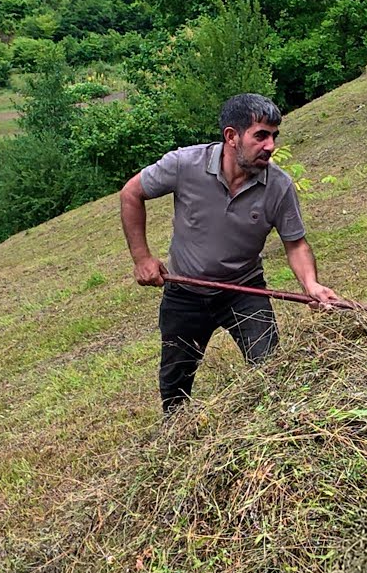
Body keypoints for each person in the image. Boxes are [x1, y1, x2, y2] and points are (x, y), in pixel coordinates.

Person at [120, 93, 339, 412]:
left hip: (244, 290)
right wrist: (142, 258)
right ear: (232, 137)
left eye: (274, 136)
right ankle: (176, 440)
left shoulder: (278, 186)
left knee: (271, 372)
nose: (270, 146)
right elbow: (131, 193)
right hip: (184, 293)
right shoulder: (185, 164)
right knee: (175, 386)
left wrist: (311, 285)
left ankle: (277, 427)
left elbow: (296, 243)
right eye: (261, 135)